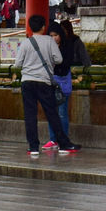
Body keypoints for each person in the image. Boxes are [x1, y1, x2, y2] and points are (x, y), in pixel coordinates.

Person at [16, 14, 78, 157]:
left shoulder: (26, 43)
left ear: (30, 28)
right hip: (44, 82)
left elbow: (18, 63)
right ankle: (63, 143)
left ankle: (33, 148)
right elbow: (59, 59)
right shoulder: (49, 41)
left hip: (27, 82)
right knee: (52, 114)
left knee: (30, 115)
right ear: (44, 27)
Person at [43, 20, 89, 150]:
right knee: (51, 112)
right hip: (49, 83)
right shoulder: (46, 48)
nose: (53, 38)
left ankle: (64, 140)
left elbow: (64, 64)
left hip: (62, 84)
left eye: (56, 35)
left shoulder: (68, 46)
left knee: (62, 112)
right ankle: (53, 140)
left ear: (60, 35)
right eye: (50, 35)